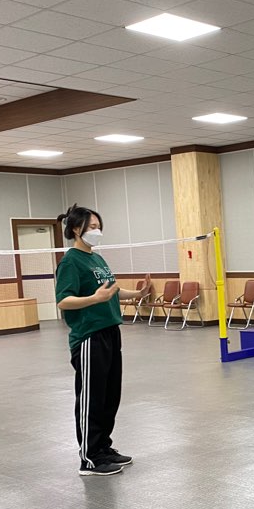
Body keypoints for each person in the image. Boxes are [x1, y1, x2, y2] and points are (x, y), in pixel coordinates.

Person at [55, 204, 150, 476]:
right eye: (92, 227)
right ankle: (89, 458)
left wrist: (138, 294)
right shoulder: (71, 261)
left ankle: (103, 447)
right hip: (89, 336)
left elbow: (112, 291)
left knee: (109, 396)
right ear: (77, 229)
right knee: (92, 398)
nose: (97, 231)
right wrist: (93, 299)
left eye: (99, 227)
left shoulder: (97, 259)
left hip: (110, 331)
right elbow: (63, 300)